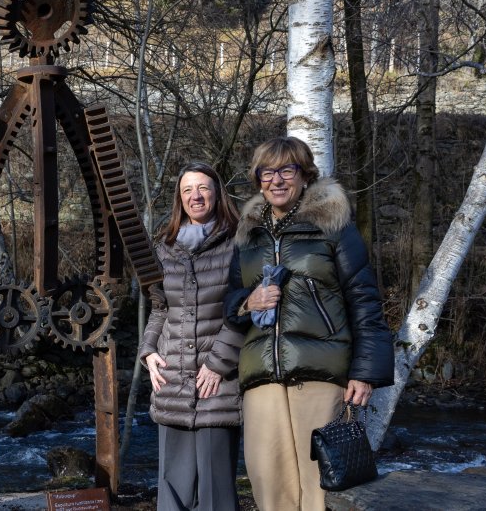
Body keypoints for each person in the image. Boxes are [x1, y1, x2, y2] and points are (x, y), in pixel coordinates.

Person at [224, 136, 394, 511]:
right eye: (267, 172)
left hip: (320, 375)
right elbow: (230, 298)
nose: (277, 180)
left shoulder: (334, 226)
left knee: (321, 491)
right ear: (257, 179)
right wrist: (246, 302)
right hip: (261, 377)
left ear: (305, 175)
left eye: (287, 170)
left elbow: (364, 301)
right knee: (270, 488)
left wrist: (365, 373)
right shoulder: (247, 235)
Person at [140, 162, 243, 511]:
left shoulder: (239, 242)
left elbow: (245, 310)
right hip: (170, 379)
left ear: (217, 193)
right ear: (179, 198)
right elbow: (159, 308)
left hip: (219, 383)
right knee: (172, 489)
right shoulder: (164, 246)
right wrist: (148, 349)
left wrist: (218, 364)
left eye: (202, 188)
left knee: (216, 493)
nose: (195, 196)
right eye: (187, 190)